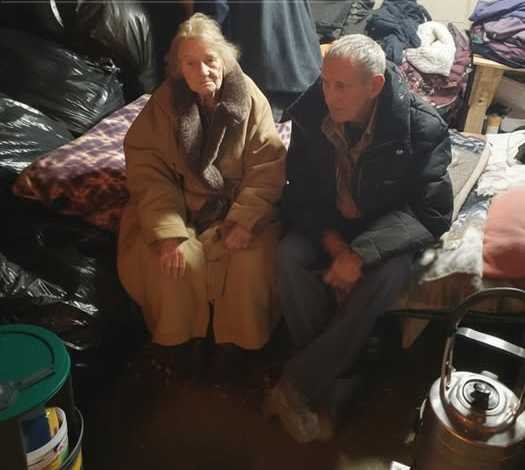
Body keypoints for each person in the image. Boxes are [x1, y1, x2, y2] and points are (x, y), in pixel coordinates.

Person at [264, 34, 453, 443]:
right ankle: (341, 374)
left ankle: (298, 383)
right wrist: (335, 245)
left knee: (392, 274)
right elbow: (299, 191)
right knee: (289, 255)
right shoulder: (312, 112)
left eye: (342, 86)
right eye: (325, 81)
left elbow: (431, 212)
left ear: (374, 86)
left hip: (384, 230)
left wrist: (360, 254)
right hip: (332, 224)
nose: (329, 94)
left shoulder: (421, 127)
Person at [117, 13, 286, 382]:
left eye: (210, 60)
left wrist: (244, 220)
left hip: (239, 206)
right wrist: (168, 232)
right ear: (178, 67)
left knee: (249, 261)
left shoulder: (249, 98)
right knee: (172, 260)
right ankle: (182, 342)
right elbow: (149, 172)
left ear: (224, 59)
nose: (202, 71)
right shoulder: (165, 103)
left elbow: (267, 166)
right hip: (183, 206)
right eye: (190, 62)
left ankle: (236, 345)